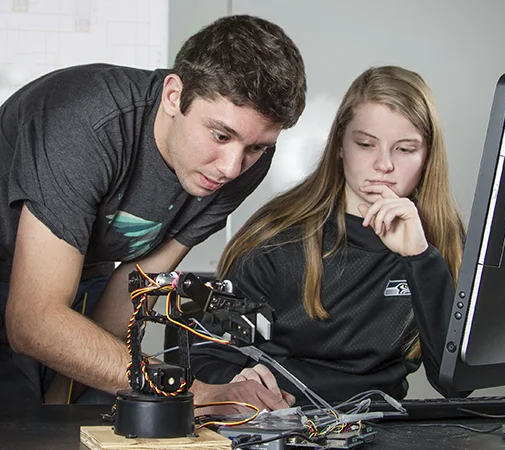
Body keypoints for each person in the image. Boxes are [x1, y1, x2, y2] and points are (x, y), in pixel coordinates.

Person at [0, 14, 306, 409]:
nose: (231, 168)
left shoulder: (244, 159)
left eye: (256, 147)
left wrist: (65, 404)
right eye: (220, 135)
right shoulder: (87, 124)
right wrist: (197, 394)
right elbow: (32, 321)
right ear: (174, 96)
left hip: (80, 275)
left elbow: (138, 278)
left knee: (90, 413)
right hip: (23, 284)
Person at [189, 65, 466, 404]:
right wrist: (235, 384)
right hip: (286, 424)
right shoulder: (275, 238)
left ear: (427, 157)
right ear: (339, 145)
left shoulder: (444, 243)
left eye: (405, 149)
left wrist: (421, 260)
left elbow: (454, 385)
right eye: (366, 144)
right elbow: (203, 359)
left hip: (387, 427)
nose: (384, 165)